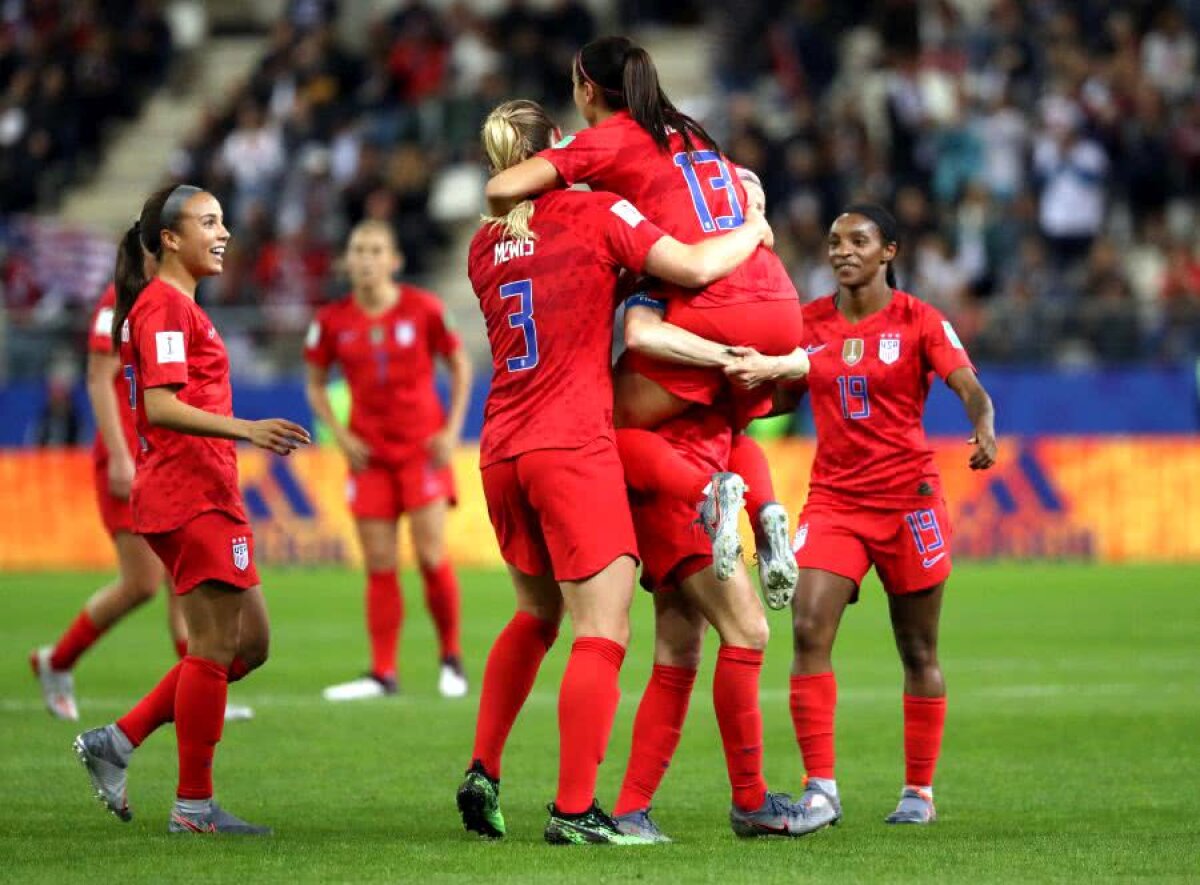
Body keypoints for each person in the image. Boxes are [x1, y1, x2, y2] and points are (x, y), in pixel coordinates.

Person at [457, 99, 777, 845]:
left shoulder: (481, 246)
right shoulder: (597, 214)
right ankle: (575, 811)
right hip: (571, 442)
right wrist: (755, 229)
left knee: (537, 616)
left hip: (501, 445)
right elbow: (695, 264)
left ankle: (483, 767)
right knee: (603, 628)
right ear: (559, 150)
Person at [484, 35, 806, 600]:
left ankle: (708, 493)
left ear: (587, 90)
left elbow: (502, 189)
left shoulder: (607, 139)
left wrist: (545, 177)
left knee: (604, 428)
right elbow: (748, 182)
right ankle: (768, 512)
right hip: (776, 296)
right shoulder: (691, 132)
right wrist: (754, 223)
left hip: (710, 300)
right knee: (725, 423)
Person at [725, 204, 998, 826]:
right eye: (834, 241)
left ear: (888, 252)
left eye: (858, 240)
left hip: (909, 502)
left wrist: (984, 428)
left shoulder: (920, 320)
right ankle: (820, 787)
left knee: (917, 648)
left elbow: (969, 388)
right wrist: (726, 410)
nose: (843, 250)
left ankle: (918, 792)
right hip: (836, 501)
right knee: (808, 624)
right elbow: (782, 395)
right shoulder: (808, 322)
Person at [72, 184, 310, 835]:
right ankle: (194, 806)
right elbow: (161, 405)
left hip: (208, 490)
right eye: (208, 222)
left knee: (250, 643)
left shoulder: (174, 307)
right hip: (189, 491)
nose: (224, 231)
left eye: (223, 219)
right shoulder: (165, 308)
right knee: (211, 646)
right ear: (170, 239)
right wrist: (247, 428)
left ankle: (117, 741)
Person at [30, 278, 251, 724]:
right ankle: (57, 661)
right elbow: (97, 376)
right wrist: (117, 455)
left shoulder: (175, 300)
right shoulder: (121, 300)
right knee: (143, 582)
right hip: (131, 461)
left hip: (167, 464)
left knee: (181, 583)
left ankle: (202, 691)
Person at [305, 220, 472, 701]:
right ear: (347, 260)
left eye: (376, 250)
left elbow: (460, 365)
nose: (366, 259)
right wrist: (339, 436)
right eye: (358, 250)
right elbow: (315, 383)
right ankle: (383, 672)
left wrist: (451, 428)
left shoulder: (425, 309)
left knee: (430, 556)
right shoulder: (332, 321)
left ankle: (451, 658)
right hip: (369, 458)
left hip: (421, 450)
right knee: (379, 564)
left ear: (394, 261)